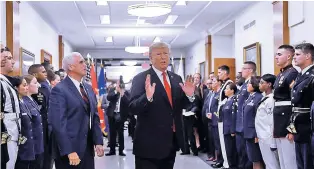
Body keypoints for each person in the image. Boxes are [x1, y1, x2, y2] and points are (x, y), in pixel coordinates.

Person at [129, 42, 195, 169]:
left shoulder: (176, 78)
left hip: (171, 142)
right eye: (158, 54)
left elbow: (180, 106)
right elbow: (132, 108)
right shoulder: (141, 78)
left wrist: (189, 95)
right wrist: (147, 97)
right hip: (148, 145)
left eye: (166, 53)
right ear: (150, 58)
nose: (163, 57)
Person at [48, 52, 104, 169]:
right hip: (69, 150)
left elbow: (94, 116)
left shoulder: (87, 88)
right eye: (81, 62)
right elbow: (58, 123)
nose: (85, 65)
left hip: (87, 148)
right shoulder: (59, 90)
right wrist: (69, 150)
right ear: (71, 67)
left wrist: (98, 141)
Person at [273, 45, 298, 169]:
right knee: (282, 159)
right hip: (279, 119)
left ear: (288, 56)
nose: (276, 57)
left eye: (279, 54)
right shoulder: (281, 74)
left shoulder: (293, 73)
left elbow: (295, 102)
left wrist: (291, 128)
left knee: (289, 160)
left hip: (286, 120)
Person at [290, 43, 314, 169]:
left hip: (308, 126)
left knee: (308, 161)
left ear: (308, 56)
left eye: (298, 54)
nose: (294, 57)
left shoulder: (312, 76)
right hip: (298, 124)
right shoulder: (301, 75)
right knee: (300, 162)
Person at [28, 64, 52, 169]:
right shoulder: (33, 90)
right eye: (43, 72)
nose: (46, 73)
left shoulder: (45, 86)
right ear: (35, 74)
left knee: (47, 154)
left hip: (46, 124)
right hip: (38, 125)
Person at [0, 46, 20, 169]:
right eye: (9, 58)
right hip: (5, 135)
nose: (12, 62)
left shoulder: (6, 81)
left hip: (13, 134)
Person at [234, 61, 256, 169]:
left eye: (243, 68)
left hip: (245, 125)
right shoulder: (244, 85)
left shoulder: (252, 84)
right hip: (240, 124)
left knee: (247, 155)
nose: (241, 71)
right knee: (241, 152)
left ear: (250, 70)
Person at [256, 74, 280, 169]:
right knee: (267, 162)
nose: (259, 85)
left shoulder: (271, 99)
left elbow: (272, 121)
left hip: (268, 137)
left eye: (262, 83)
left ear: (269, 84)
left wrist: (272, 141)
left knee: (272, 163)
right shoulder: (264, 98)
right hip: (262, 136)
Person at [23, 75, 44, 169]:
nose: (38, 85)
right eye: (35, 83)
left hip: (38, 146)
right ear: (26, 85)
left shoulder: (32, 100)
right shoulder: (23, 102)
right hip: (31, 148)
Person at [105, 79, 130, 156]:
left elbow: (128, 102)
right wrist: (116, 91)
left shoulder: (126, 92)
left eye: (120, 84)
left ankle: (121, 151)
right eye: (118, 84)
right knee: (112, 133)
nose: (119, 85)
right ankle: (112, 151)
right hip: (112, 115)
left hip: (121, 115)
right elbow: (109, 97)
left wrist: (122, 94)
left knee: (120, 133)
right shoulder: (112, 90)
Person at [243, 76, 264, 169]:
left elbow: (258, 117)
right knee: (252, 158)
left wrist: (256, 134)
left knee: (257, 158)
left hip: (253, 133)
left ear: (255, 85)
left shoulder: (258, 97)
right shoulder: (250, 97)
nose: (247, 85)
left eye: (249, 83)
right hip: (247, 132)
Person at [14, 76, 34, 169]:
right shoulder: (15, 105)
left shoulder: (23, 102)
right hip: (20, 150)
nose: (27, 88)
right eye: (24, 85)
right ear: (16, 88)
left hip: (28, 149)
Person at [215, 65, 233, 169]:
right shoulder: (224, 84)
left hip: (225, 118)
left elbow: (227, 101)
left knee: (225, 143)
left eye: (220, 72)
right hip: (221, 117)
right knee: (222, 143)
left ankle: (228, 164)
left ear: (226, 73)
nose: (218, 75)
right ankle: (225, 163)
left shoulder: (229, 84)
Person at [207, 76, 223, 168]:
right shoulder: (213, 93)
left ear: (218, 83)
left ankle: (220, 160)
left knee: (219, 143)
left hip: (217, 121)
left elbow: (219, 108)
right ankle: (218, 159)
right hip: (211, 121)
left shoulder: (220, 93)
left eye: (213, 81)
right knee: (215, 142)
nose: (211, 83)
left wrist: (214, 115)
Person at [221, 83, 238, 169]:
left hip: (230, 130)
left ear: (232, 90)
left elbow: (233, 116)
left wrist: (232, 130)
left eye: (227, 89)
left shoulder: (234, 100)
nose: (225, 90)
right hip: (226, 129)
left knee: (232, 151)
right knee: (228, 151)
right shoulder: (227, 100)